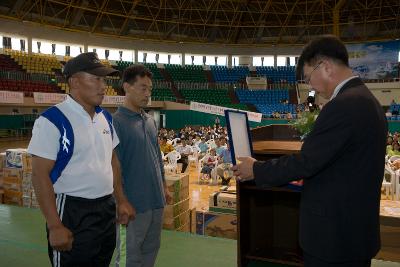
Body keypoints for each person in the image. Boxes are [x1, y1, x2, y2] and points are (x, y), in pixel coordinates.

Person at [233, 36, 387, 267]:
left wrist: (256, 169)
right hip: (354, 231)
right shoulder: (367, 100)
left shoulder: (344, 105)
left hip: (333, 238)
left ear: (325, 66)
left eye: (307, 78)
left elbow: (307, 162)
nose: (310, 86)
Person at [28, 52, 135, 267]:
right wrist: (54, 225)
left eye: (103, 79)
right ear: (75, 82)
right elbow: (40, 175)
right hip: (73, 210)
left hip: (106, 208)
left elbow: (112, 160)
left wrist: (121, 199)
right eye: (96, 78)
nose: (103, 85)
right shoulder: (52, 120)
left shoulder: (105, 117)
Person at [113, 65, 171, 267]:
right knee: (129, 257)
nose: (148, 94)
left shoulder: (149, 121)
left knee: (150, 253)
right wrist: (121, 201)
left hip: (156, 201)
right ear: (127, 87)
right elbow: (114, 168)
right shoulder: (115, 123)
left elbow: (157, 156)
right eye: (143, 88)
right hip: (133, 205)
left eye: (150, 89)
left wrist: (162, 186)